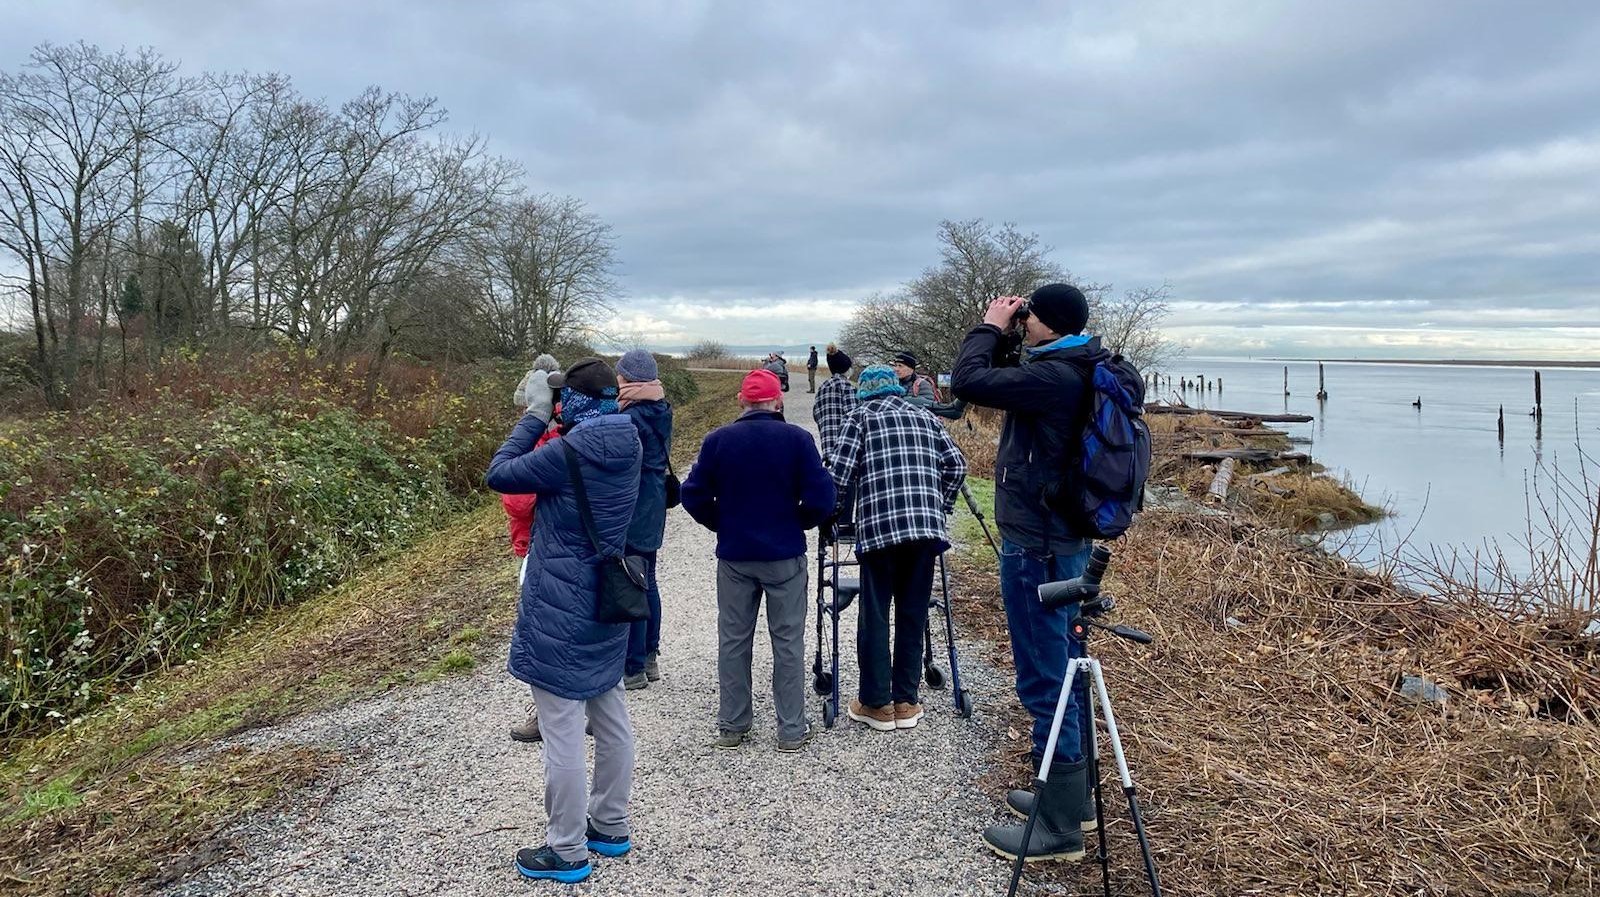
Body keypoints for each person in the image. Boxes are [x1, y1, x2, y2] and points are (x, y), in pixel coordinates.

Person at [950, 283, 1107, 864]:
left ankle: (1059, 826)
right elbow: (1002, 382)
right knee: (1062, 665)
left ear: (1053, 323)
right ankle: (1075, 798)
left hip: (1037, 547)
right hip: (1059, 540)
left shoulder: (1054, 378)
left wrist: (990, 325)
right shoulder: (1074, 367)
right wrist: (1014, 335)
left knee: (1045, 676)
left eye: (1030, 315)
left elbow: (967, 382)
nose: (1023, 321)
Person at [485, 358, 643, 884]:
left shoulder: (567, 452)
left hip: (561, 604)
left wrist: (533, 416)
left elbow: (501, 473)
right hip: (607, 600)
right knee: (611, 712)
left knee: (562, 733)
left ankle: (567, 849)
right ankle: (611, 827)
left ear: (569, 405)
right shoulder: (629, 437)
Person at [680, 369, 835, 752]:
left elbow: (692, 494)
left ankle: (733, 726)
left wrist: (721, 523)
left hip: (735, 555)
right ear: (778, 401)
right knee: (788, 642)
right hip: (784, 554)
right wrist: (797, 523)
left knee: (733, 640)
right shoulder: (798, 440)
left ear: (741, 401)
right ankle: (791, 730)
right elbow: (822, 499)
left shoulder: (718, 441)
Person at [827, 365, 967, 733]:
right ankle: (906, 701)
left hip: (880, 531)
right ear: (896, 389)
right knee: (913, 611)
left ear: (864, 394)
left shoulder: (859, 418)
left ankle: (876, 703)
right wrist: (940, 505)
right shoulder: (924, 416)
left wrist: (832, 516)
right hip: (925, 530)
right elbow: (957, 466)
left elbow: (839, 477)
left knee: (875, 613)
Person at [503, 354, 564, 744]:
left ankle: (544, 714)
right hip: (550, 541)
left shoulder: (544, 439)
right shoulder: (571, 429)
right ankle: (589, 709)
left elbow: (518, 499)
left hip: (541, 545)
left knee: (541, 631)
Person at [615, 349, 673, 691]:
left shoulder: (630, 417)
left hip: (635, 501)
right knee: (647, 578)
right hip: (652, 499)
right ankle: (650, 656)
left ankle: (633, 665)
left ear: (628, 378)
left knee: (631, 581)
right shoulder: (661, 408)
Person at [811, 346, 857, 462]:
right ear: (846, 368)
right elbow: (854, 416)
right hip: (847, 451)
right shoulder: (848, 388)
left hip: (828, 447)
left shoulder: (823, 387)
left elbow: (816, 414)